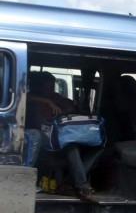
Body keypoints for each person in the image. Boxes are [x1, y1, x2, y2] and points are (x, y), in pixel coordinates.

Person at [26, 71, 96, 201]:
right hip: (41, 142)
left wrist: (69, 108)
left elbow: (71, 106)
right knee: (69, 145)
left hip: (58, 138)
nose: (51, 91)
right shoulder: (31, 98)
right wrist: (48, 102)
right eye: (48, 88)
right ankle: (81, 185)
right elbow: (26, 98)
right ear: (38, 87)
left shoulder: (55, 97)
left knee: (84, 146)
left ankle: (76, 183)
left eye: (53, 87)